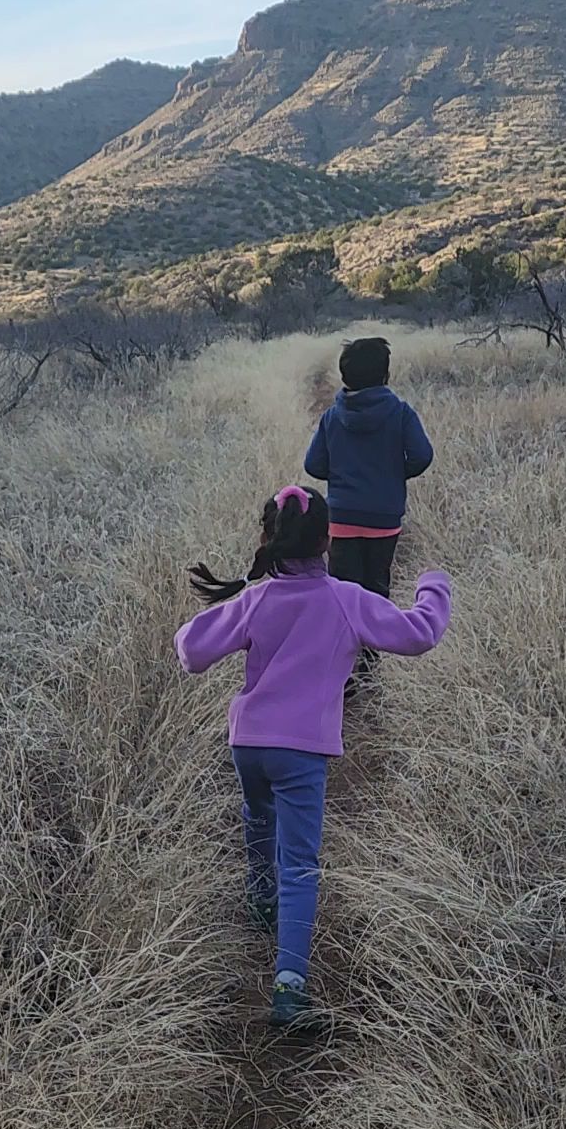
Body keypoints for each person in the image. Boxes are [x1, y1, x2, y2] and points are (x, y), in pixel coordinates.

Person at [175, 485, 451, 1032]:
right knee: (300, 864)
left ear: (266, 539)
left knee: (258, 817)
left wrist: (232, 608)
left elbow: (190, 651)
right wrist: (433, 585)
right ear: (328, 541)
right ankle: (290, 989)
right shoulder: (346, 600)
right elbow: (420, 635)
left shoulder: (255, 600)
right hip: (302, 752)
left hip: (248, 745)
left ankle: (260, 899)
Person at [305, 336, 434, 679]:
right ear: (385, 375)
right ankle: (370, 667)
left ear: (345, 377)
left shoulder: (333, 417)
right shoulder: (401, 413)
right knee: (376, 590)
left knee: (342, 594)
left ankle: (342, 669)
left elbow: (313, 466)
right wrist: (393, 476)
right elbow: (422, 456)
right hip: (384, 519)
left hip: (342, 520)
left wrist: (342, 474)